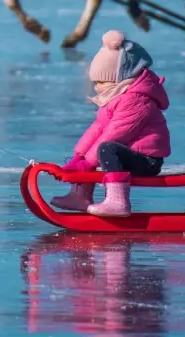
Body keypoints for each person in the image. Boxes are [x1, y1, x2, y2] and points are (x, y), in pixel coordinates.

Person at [50, 30, 171, 218]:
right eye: (95, 83)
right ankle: (80, 196)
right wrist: (79, 156)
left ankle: (118, 202)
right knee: (98, 151)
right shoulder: (116, 97)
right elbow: (98, 128)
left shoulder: (136, 100)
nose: (97, 88)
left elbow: (116, 133)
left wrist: (88, 162)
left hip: (146, 159)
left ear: (120, 78)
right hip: (128, 153)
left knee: (106, 149)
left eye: (102, 82)